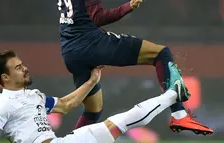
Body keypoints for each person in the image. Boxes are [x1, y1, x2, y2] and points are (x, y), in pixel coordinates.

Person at [58, 0, 213, 135]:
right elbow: (97, 17)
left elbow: (79, 18)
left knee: (93, 110)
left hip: (70, 51)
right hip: (90, 43)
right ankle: (179, 115)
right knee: (160, 53)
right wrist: (128, 7)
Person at [0, 50, 190, 143]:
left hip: (61, 142)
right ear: (5, 77)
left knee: (120, 122)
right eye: (18, 68)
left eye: (22, 65)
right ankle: (173, 94)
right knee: (120, 123)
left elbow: (67, 104)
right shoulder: (3, 104)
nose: (25, 69)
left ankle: (173, 94)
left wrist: (91, 82)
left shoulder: (33, 96)